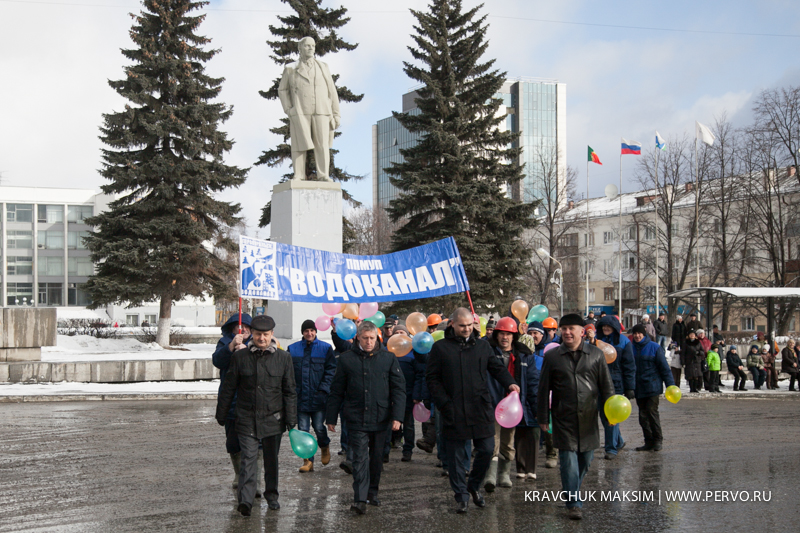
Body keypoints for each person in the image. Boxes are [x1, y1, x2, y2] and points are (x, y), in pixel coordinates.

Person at [426, 308, 519, 514]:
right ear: (453, 324)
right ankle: (461, 496)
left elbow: (496, 368)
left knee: (486, 450)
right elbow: (432, 379)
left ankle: (473, 486)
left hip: (480, 408)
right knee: (457, 459)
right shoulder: (440, 348)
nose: (467, 329)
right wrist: (444, 404)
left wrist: (510, 383)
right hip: (453, 410)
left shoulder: (483, 346)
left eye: (470, 325)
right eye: (462, 326)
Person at [215, 316, 297, 516]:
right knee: (248, 459)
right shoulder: (240, 357)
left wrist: (291, 419)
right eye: (258, 334)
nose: (261, 338)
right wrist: (222, 413)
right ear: (253, 334)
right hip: (246, 417)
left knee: (271, 460)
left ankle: (272, 495)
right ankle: (246, 500)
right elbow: (229, 387)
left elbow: (290, 391)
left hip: (273, 418)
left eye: (265, 335)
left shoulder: (283, 358)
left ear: (272, 335)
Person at [538, 314, 615, 521]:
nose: (567, 332)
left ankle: (571, 490)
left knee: (586, 460)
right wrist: (544, 417)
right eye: (563, 329)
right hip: (564, 417)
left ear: (582, 331)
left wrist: (610, 413)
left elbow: (607, 387)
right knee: (568, 461)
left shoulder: (596, 355)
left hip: (589, 417)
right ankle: (573, 503)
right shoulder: (553, 356)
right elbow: (543, 389)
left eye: (571, 328)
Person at [325, 321, 405, 514]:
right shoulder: (346, 359)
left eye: (372, 338)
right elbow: (337, 390)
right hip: (356, 417)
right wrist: (331, 417)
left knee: (376, 458)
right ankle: (359, 499)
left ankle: (372, 492)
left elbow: (399, 390)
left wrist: (397, 417)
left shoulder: (388, 358)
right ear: (358, 337)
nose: (368, 342)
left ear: (376, 338)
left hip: (381, 417)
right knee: (360, 459)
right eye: (365, 338)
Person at [277, 36, 340, 181]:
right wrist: (289, 109)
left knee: (322, 144)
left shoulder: (323, 67)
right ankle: (298, 174)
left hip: (322, 110)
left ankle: (323, 174)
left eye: (312, 46)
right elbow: (282, 90)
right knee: (299, 144)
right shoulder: (290, 69)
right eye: (307, 46)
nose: (311, 48)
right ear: (300, 49)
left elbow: (332, 91)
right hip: (300, 110)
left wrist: (336, 114)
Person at [484, 317, 530, 490]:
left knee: (508, 442)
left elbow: (530, 380)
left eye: (509, 334)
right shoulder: (487, 351)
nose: (505, 337)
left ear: (514, 336)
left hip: (513, 408)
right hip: (492, 403)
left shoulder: (523, 354)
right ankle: (490, 476)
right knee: (492, 440)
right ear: (496, 335)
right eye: (502, 334)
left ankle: (504, 474)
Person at [289, 319, 337, 473]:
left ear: (316, 331)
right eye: (306, 331)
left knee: (318, 427)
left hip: (318, 397)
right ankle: (308, 460)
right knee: (303, 430)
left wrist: (324, 389)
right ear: (302, 333)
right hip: (301, 397)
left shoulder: (325, 348)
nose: (309, 333)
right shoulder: (293, 349)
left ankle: (324, 446)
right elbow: (288, 372)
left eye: (312, 330)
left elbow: (331, 371)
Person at [212, 313, 253, 491]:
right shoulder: (224, 342)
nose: (242, 329)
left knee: (253, 441)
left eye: (245, 326)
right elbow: (218, 361)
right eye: (238, 326)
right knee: (233, 440)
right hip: (231, 400)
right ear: (231, 328)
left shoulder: (257, 342)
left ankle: (253, 477)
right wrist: (231, 346)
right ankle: (239, 473)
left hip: (252, 401)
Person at [595, 315, 636, 460]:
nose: (606, 328)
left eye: (609, 326)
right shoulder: (596, 341)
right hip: (599, 383)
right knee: (603, 415)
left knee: (611, 417)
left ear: (615, 328)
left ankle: (611, 449)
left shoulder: (624, 342)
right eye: (603, 326)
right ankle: (618, 441)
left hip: (616, 384)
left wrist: (630, 387)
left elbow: (629, 366)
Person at [629, 323, 675, 451]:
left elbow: (664, 368)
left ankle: (657, 440)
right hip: (639, 387)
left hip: (652, 386)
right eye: (635, 333)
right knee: (642, 416)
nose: (637, 336)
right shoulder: (631, 348)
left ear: (644, 334)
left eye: (639, 333)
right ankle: (648, 441)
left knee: (651, 412)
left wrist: (670, 384)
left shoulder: (654, 347)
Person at [381, 325, 422, 462]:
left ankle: (407, 450)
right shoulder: (386, 352)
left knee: (408, 425)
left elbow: (419, 375)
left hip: (408, 395)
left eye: (402, 332)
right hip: (388, 395)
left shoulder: (413, 352)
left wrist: (417, 395)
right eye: (396, 332)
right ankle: (385, 451)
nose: (399, 335)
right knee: (386, 425)